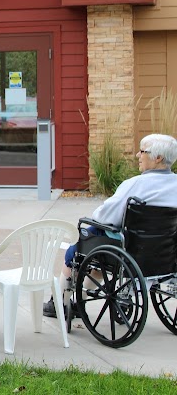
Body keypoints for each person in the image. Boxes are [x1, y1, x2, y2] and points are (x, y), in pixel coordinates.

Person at [43, 133, 177, 318]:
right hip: (164, 253)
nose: (138, 155)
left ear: (158, 158)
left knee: (78, 246)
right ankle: (79, 299)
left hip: (128, 249)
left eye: (142, 151)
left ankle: (59, 303)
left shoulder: (135, 184)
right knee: (99, 261)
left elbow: (105, 217)